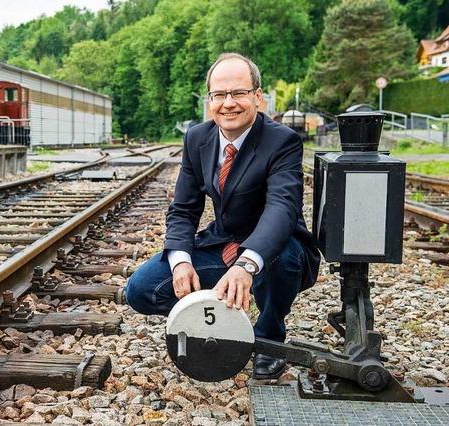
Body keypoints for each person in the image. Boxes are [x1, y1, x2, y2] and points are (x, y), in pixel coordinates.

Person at [124, 53, 320, 379]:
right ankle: (224, 321)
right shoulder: (197, 138)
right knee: (141, 289)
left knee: (281, 258)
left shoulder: (282, 141)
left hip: (278, 248)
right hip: (223, 243)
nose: (228, 103)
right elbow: (184, 209)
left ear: (258, 96)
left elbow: (281, 209)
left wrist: (246, 264)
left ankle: (269, 337)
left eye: (239, 93)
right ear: (209, 100)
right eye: (219, 94)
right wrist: (181, 261)